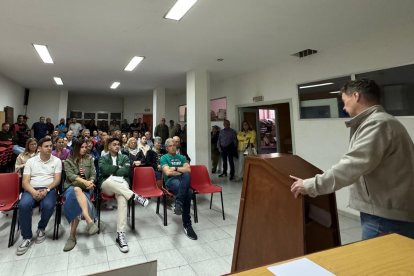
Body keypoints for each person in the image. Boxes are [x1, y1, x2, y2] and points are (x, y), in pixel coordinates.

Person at [290, 79, 414, 240]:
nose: (343, 107)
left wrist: (311, 185)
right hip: (386, 211)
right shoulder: (381, 121)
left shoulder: (378, 124)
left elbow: (352, 165)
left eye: (344, 100)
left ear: (356, 96)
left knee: (377, 263)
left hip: (385, 217)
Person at [98, 137, 149, 253]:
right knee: (110, 181)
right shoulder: (103, 158)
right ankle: (134, 196)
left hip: (122, 183)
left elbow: (125, 171)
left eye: (118, 144)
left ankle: (120, 235)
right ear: (109, 146)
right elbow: (104, 170)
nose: (117, 146)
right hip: (108, 185)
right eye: (114, 144)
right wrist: (117, 168)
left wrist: (113, 170)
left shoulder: (125, 157)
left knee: (122, 199)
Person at [16, 137, 62, 255]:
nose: (49, 148)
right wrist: (33, 192)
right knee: (23, 205)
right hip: (31, 188)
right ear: (39, 148)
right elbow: (25, 182)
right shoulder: (31, 161)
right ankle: (27, 237)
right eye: (46, 146)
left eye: (51, 146)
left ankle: (41, 228)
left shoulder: (56, 161)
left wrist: (47, 190)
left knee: (48, 205)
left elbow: (57, 180)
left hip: (49, 188)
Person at [62, 139, 99, 251]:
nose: (84, 149)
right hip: (71, 187)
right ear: (75, 148)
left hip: (87, 188)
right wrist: (85, 182)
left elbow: (93, 173)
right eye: (81, 147)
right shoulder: (68, 161)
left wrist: (91, 181)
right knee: (76, 191)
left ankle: (72, 237)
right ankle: (88, 220)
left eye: (85, 147)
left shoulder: (89, 159)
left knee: (77, 197)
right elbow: (71, 177)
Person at [161, 138, 197, 240]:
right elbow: (168, 173)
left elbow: (188, 169)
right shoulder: (164, 158)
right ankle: (187, 225)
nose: (173, 147)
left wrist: (175, 168)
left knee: (187, 179)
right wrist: (181, 171)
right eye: (171, 146)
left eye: (174, 145)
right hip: (171, 181)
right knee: (188, 192)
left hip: (182, 180)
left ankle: (179, 203)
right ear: (167, 148)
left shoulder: (181, 157)